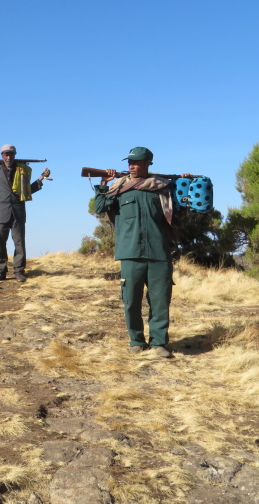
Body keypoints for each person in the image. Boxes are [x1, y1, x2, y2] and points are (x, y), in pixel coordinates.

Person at [94, 147, 189, 359]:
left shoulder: (163, 188)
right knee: (131, 300)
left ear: (148, 163)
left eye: (136, 162)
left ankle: (159, 343)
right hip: (130, 252)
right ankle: (136, 341)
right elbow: (99, 206)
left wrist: (184, 183)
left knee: (160, 301)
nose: (131, 166)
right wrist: (103, 183)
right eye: (129, 162)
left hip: (159, 252)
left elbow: (181, 209)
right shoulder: (120, 188)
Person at [0, 144, 51, 283]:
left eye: (11, 154)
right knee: (0, 242)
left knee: (19, 243)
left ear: (15, 155)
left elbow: (27, 190)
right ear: (2, 155)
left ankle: (19, 271)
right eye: (6, 154)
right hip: (0, 212)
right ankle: (0, 271)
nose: (8, 156)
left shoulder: (22, 170)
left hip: (18, 212)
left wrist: (41, 178)